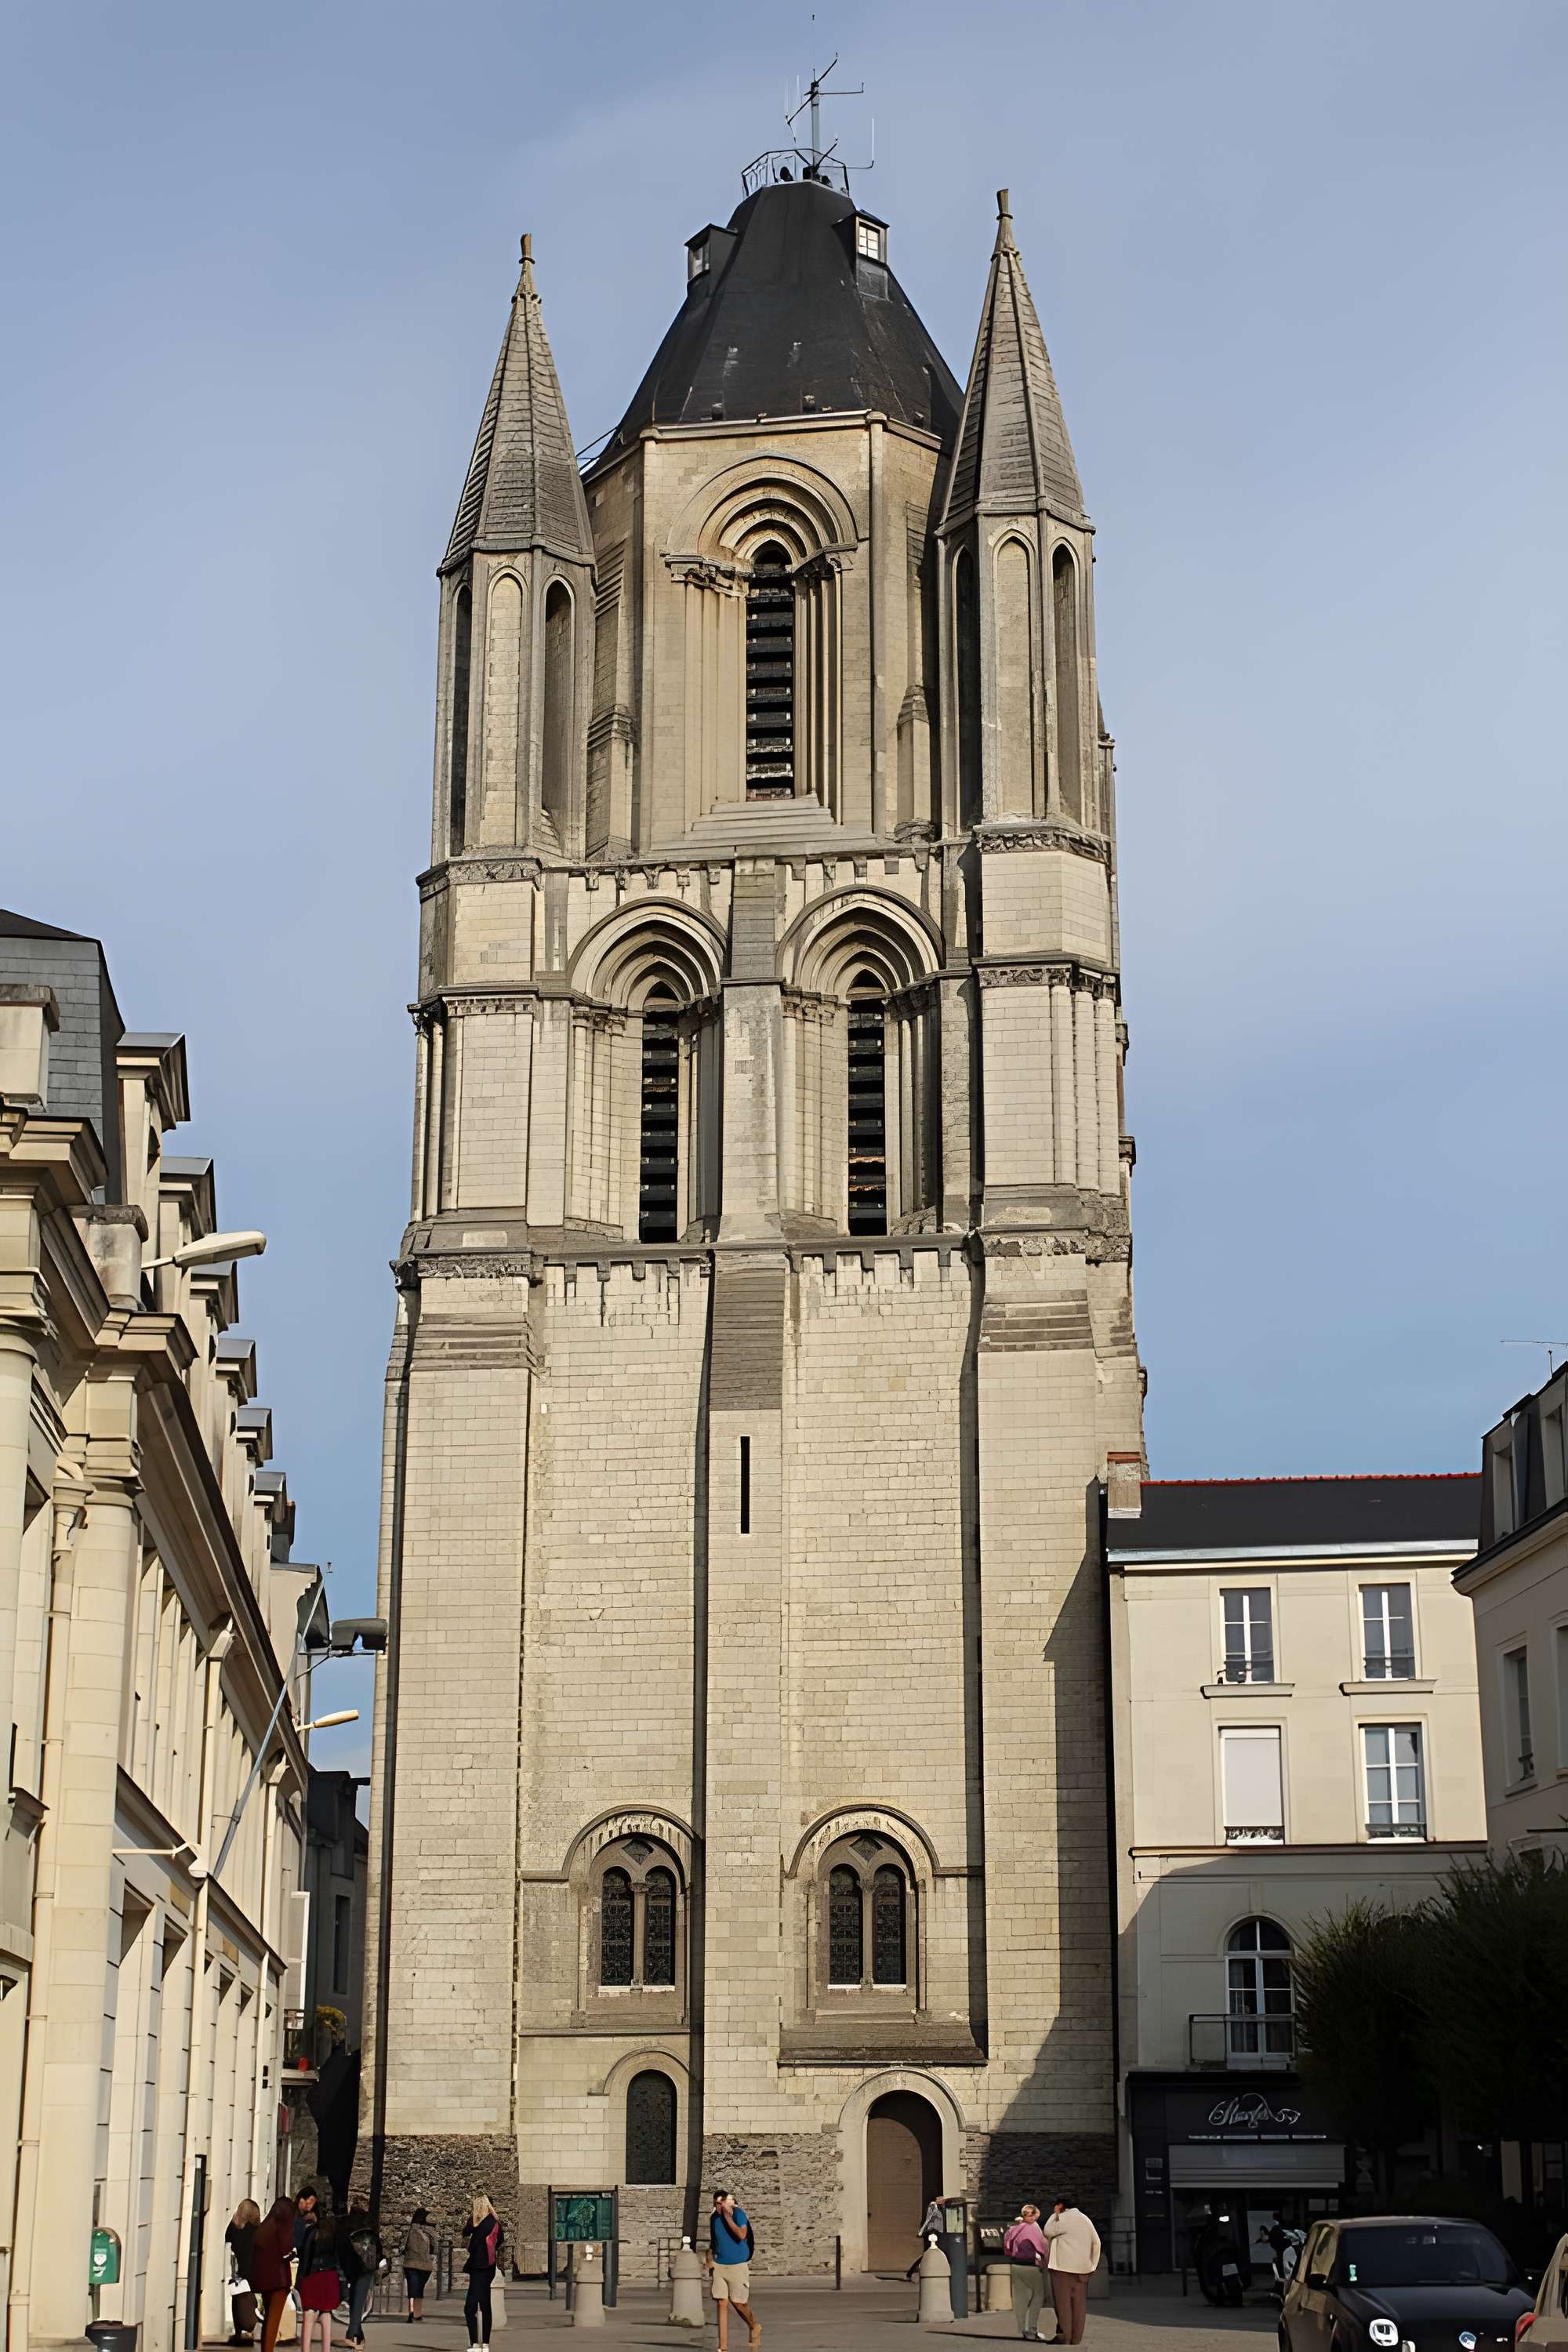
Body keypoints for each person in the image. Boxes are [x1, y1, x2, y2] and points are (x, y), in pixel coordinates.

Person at [1043, 2197, 1102, 2347]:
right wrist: (1092, 2265)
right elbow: (1097, 2242)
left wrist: (1054, 2215)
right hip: (1082, 2268)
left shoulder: (1063, 2218)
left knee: (1063, 2304)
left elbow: (1047, 2231)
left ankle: (1065, 2336)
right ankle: (1076, 2338)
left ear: (1061, 2206)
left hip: (1062, 2268)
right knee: (1079, 2304)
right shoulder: (1085, 2219)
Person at [706, 2190, 760, 2352]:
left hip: (737, 2266)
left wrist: (728, 2217)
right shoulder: (713, 2218)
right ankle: (722, 2348)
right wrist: (709, 2260)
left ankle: (754, 2325)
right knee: (722, 2303)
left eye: (722, 2203)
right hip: (720, 2266)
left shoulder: (738, 2214)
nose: (719, 2206)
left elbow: (741, 2235)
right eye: (716, 2203)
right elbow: (714, 2241)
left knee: (738, 2304)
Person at [250, 2198, 298, 2352]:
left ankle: (266, 2349)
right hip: (279, 2281)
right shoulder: (283, 2226)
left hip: (265, 2281)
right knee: (274, 2320)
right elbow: (286, 2251)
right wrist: (293, 2253)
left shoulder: (264, 2228)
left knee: (267, 2320)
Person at [297, 2197, 343, 2352]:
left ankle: (306, 2349)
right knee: (326, 2314)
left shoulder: (311, 2232)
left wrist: (300, 2280)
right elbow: (338, 2257)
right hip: (330, 2277)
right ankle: (326, 2350)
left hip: (313, 2276)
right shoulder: (333, 2233)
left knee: (309, 2313)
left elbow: (304, 2256)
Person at [1002, 2204, 1050, 2340]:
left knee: (1021, 2300)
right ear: (1033, 2216)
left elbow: (1007, 2249)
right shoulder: (1033, 2229)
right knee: (1037, 2298)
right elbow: (1043, 2248)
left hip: (1016, 2266)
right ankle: (1032, 2331)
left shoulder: (1012, 2229)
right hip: (1032, 2267)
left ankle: (1023, 2330)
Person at [463, 2196, 501, 2349]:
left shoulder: (479, 2223)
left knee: (470, 2307)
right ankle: (485, 2342)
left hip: (479, 2267)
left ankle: (475, 2343)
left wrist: (473, 2219)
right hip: (489, 2266)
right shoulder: (494, 2221)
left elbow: (466, 2232)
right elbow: (501, 2240)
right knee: (485, 2304)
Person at [343, 2208, 383, 2347]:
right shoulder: (371, 2234)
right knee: (359, 2302)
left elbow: (346, 2253)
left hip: (354, 2270)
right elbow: (380, 2252)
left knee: (355, 2301)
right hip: (368, 2270)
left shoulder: (350, 2234)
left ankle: (352, 2334)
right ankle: (357, 2334)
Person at [227, 2199, 262, 2345]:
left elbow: (227, 2239)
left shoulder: (234, 2229)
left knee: (238, 2300)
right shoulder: (257, 2230)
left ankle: (238, 2331)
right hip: (256, 2271)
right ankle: (251, 2328)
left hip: (241, 2272)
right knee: (253, 2302)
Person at [401, 2210, 434, 2323]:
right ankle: (417, 2313)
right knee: (419, 2290)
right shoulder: (428, 2231)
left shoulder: (408, 2230)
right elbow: (434, 2246)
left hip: (410, 2263)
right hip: (425, 2265)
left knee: (412, 2288)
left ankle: (411, 2312)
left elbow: (402, 2246)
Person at [906, 2195, 946, 2281]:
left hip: (933, 2234)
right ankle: (910, 2272)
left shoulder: (938, 2208)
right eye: (941, 2198)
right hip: (932, 2235)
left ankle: (911, 2273)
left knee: (929, 2254)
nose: (943, 2200)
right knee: (927, 2254)